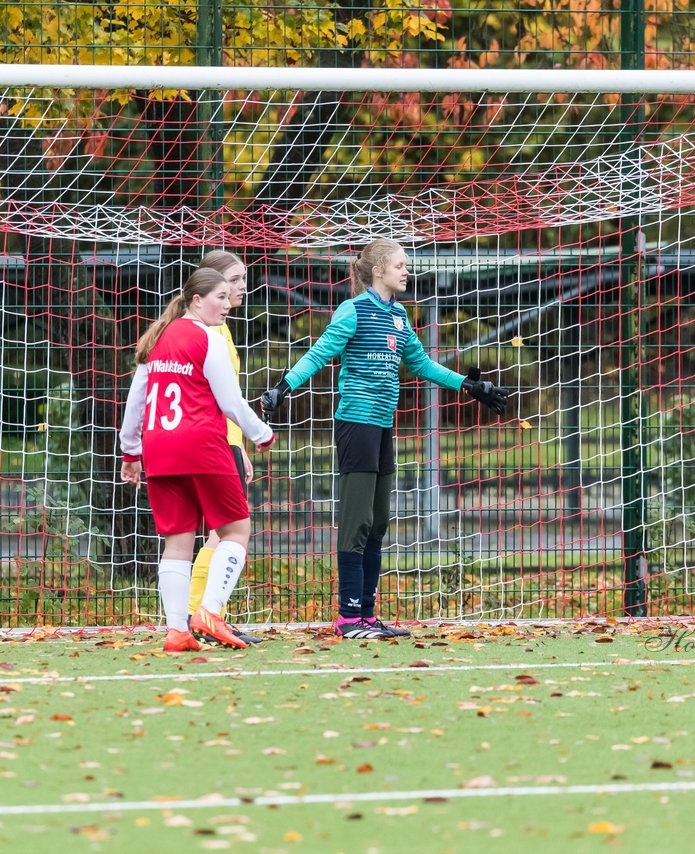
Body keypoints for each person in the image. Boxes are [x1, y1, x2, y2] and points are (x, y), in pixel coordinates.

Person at [259, 239, 509, 639]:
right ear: (378, 271)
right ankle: (348, 617)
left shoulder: (398, 315)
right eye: (399, 265)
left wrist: (469, 386)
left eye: (406, 265)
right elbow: (320, 352)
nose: (406, 271)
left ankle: (368, 615)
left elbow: (421, 363)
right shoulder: (353, 310)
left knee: (378, 523)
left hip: (382, 426)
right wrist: (284, 386)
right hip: (356, 425)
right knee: (356, 523)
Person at [119, 268, 274, 653]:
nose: (227, 305)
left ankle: (177, 631)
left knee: (178, 542)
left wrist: (131, 451)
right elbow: (231, 401)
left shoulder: (155, 339)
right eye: (220, 297)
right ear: (196, 300)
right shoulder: (208, 338)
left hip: (159, 449)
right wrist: (262, 433)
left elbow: (136, 401)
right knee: (236, 531)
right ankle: (210, 611)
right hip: (201, 445)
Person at [185, 251, 262, 646]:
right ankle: (202, 614)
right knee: (224, 533)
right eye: (234, 279)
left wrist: (241, 446)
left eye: (244, 278)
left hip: (226, 441)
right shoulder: (208, 330)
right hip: (213, 441)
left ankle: (205, 615)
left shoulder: (222, 327)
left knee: (221, 533)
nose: (242, 287)